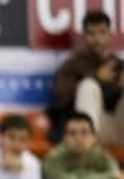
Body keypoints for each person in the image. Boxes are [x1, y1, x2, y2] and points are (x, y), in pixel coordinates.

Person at [52, 10, 124, 149]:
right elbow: (61, 98)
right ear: (85, 36)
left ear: (109, 35)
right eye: (92, 34)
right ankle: (88, 151)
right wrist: (96, 77)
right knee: (88, 86)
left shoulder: (118, 65)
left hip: (115, 127)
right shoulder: (73, 64)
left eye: (102, 33)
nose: (97, 39)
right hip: (82, 132)